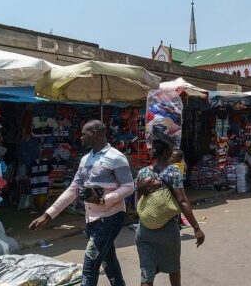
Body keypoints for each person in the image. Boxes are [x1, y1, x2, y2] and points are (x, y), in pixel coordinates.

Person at [29, 120, 134, 286]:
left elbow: (129, 186)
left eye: (84, 133)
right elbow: (73, 189)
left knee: (90, 267)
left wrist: (103, 200)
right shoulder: (86, 159)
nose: (80, 137)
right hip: (91, 218)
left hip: (110, 217)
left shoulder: (116, 157)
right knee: (108, 260)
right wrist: (48, 214)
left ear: (96, 133)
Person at [135, 139, 205, 286]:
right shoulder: (173, 173)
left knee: (146, 273)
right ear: (168, 152)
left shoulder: (143, 172)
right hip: (168, 229)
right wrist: (196, 228)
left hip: (144, 229)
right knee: (173, 268)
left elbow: (137, 202)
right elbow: (182, 200)